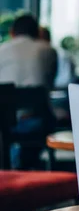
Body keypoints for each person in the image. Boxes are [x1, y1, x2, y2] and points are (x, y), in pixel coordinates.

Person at [0, 14, 58, 169]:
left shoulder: (2, 50)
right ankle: (27, 165)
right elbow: (49, 83)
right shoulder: (49, 51)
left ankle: (13, 168)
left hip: (5, 123)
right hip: (38, 120)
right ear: (37, 33)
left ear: (12, 33)